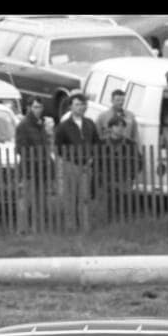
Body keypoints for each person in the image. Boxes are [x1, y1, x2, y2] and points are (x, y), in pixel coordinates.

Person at [53, 93, 100, 232]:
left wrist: (92, 157)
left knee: (84, 196)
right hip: (71, 164)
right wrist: (70, 158)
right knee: (70, 196)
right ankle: (71, 226)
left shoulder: (90, 123)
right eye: (77, 104)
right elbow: (58, 146)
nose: (80, 107)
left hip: (87, 165)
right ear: (70, 107)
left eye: (83, 104)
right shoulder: (63, 126)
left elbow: (96, 142)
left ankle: (85, 225)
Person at [15, 98, 54, 234]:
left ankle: (37, 227)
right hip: (28, 169)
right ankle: (23, 229)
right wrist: (35, 159)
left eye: (40, 107)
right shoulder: (23, 125)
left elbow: (45, 145)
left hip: (42, 169)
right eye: (35, 107)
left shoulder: (41, 124)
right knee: (26, 200)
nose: (38, 110)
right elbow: (20, 148)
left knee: (40, 199)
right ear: (29, 108)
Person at [97, 115, 142, 222]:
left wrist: (131, 175)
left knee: (125, 204)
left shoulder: (130, 144)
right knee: (109, 203)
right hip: (107, 178)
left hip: (124, 178)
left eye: (122, 126)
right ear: (110, 128)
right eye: (117, 126)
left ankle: (124, 223)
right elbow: (97, 162)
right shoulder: (101, 144)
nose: (120, 128)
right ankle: (109, 222)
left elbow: (138, 162)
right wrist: (101, 176)